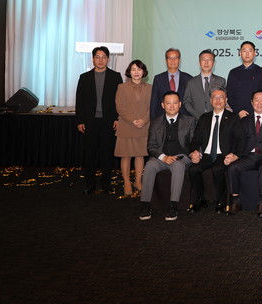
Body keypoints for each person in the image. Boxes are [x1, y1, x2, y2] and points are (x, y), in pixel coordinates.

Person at [138, 91, 196, 221]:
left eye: (175, 103)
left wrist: (195, 153)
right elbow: (151, 146)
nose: (172, 106)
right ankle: (145, 205)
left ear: (180, 104)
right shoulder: (155, 122)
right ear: (163, 105)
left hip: (181, 157)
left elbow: (194, 143)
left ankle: (173, 206)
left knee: (178, 166)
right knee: (150, 166)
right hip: (161, 157)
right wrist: (163, 157)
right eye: (168, 103)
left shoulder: (189, 121)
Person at [187, 86, 246, 213]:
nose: (218, 100)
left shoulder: (233, 118)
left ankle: (221, 201)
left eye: (221, 97)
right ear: (210, 100)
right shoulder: (204, 118)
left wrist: (235, 155)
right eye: (215, 97)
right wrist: (193, 152)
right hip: (207, 155)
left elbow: (241, 140)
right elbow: (195, 140)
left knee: (217, 169)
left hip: (223, 155)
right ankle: (200, 200)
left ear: (226, 100)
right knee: (193, 169)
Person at [75, 46, 123, 194]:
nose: (100, 60)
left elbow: (120, 100)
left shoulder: (116, 77)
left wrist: (118, 118)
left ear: (108, 59)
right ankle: (90, 184)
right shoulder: (84, 77)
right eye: (97, 57)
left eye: (103, 57)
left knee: (107, 154)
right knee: (89, 154)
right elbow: (80, 101)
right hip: (90, 121)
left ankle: (106, 185)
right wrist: (80, 120)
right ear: (93, 59)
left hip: (109, 122)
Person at [226, 90, 262, 217]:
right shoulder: (244, 120)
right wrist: (233, 154)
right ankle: (236, 201)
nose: (259, 103)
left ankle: (261, 202)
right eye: (256, 100)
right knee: (233, 167)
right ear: (251, 102)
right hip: (248, 156)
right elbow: (238, 141)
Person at [115, 59, 152, 196]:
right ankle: (126, 182)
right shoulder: (121, 87)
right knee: (126, 156)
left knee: (140, 155)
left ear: (143, 72)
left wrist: (144, 120)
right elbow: (120, 107)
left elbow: (152, 107)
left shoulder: (150, 88)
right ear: (129, 72)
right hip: (126, 125)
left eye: (139, 69)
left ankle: (138, 181)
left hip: (143, 126)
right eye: (133, 69)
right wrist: (133, 120)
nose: (136, 72)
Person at [226, 41, 262, 119]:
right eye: (244, 51)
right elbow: (230, 95)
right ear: (240, 53)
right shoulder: (233, 72)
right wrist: (239, 111)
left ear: (255, 53)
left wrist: (254, 111)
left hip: (256, 114)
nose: (247, 54)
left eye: (250, 51)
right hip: (237, 115)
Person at [149, 48, 192, 119]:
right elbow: (154, 103)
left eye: (175, 58)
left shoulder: (188, 78)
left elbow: (191, 102)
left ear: (179, 60)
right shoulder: (158, 79)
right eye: (170, 58)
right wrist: (153, 121)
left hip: (184, 119)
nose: (173, 61)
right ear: (166, 61)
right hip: (162, 119)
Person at [183, 49, 226, 120]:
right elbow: (187, 102)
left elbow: (223, 101)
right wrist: (197, 115)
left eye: (209, 60)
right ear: (199, 63)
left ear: (213, 63)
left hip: (216, 119)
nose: (206, 62)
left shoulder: (221, 81)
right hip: (196, 120)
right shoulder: (191, 82)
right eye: (203, 60)